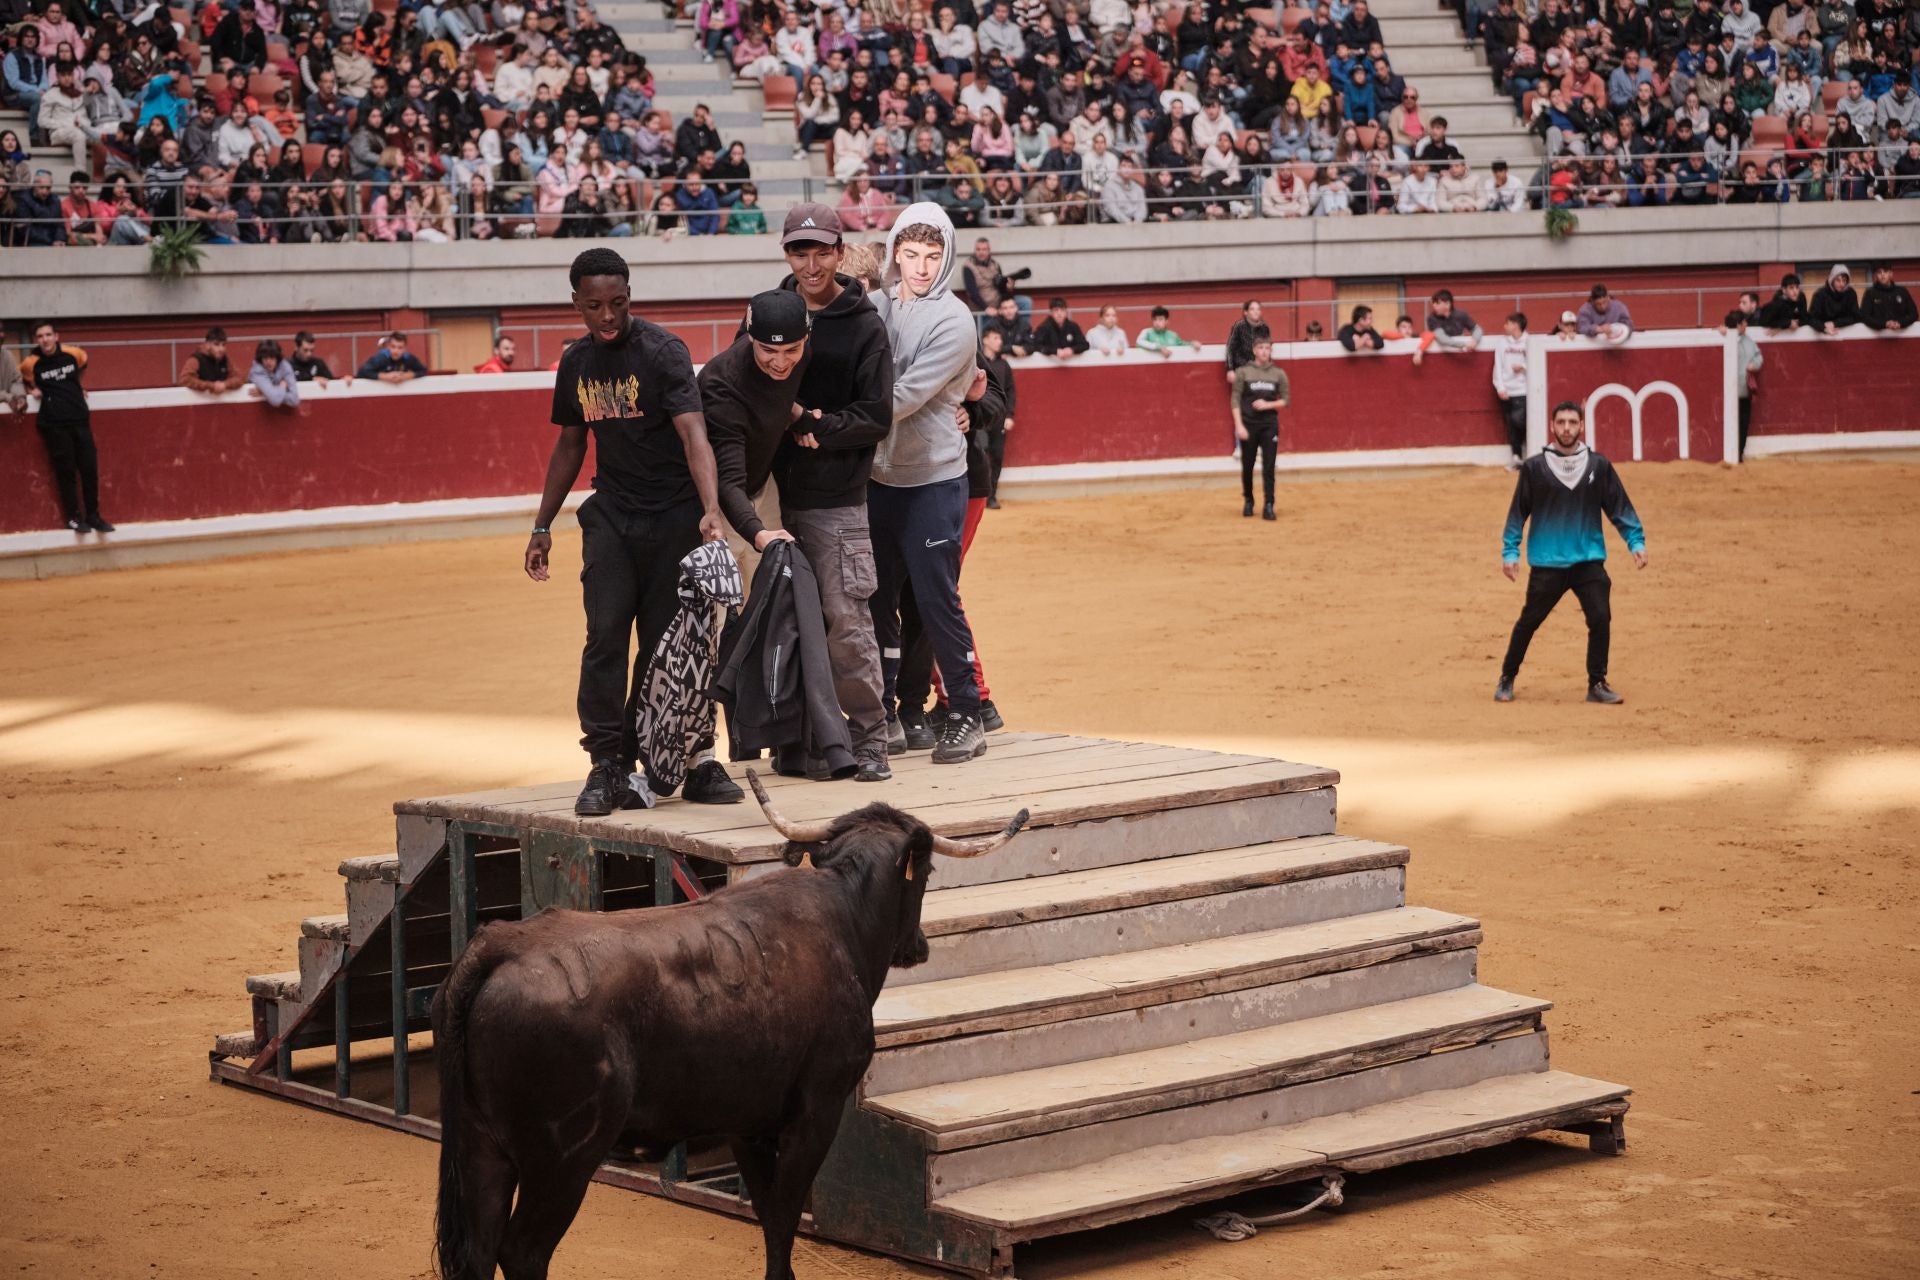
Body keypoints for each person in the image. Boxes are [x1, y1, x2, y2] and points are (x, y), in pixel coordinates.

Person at [525, 248, 736, 815]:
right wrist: (542, 524)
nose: (607, 316)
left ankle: (688, 755)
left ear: (628, 296)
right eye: (594, 306)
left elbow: (695, 435)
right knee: (606, 637)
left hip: (674, 517)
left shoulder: (663, 352)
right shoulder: (576, 364)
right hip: (614, 515)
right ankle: (606, 763)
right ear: (576, 303)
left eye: (617, 303)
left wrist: (710, 510)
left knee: (671, 647)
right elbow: (571, 444)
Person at [762, 203, 896, 775]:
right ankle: (802, 739)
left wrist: (816, 424)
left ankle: (870, 738)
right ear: (786, 254)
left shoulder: (865, 326)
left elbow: (876, 416)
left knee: (845, 622)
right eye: (800, 251)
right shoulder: (773, 310)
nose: (811, 263)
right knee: (782, 622)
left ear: (841, 253)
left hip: (836, 501)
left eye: (821, 251)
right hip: (771, 497)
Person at [867, 202, 993, 764]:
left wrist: (831, 423)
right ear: (895, 252)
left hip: (934, 480)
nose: (920, 266)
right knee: (872, 600)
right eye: (911, 254)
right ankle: (887, 714)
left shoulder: (955, 319)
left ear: (947, 258)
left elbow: (905, 396)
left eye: (933, 255)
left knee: (935, 599)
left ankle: (967, 710)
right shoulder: (874, 306)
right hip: (876, 479)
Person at [1497, 400, 1647, 705]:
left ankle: (1597, 683)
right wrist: (1510, 552)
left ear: (1581, 426)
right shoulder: (1535, 467)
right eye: (1561, 422)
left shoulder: (1598, 466)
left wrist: (1636, 542)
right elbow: (1518, 513)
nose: (1567, 428)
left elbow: (1619, 507)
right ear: (1552, 426)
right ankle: (1507, 677)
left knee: (1601, 618)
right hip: (1548, 562)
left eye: (1572, 422)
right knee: (1529, 622)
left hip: (1588, 560)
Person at [17, 321, 111, 533]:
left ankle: (94, 516)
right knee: (66, 472)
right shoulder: (31, 363)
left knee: (89, 470)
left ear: (56, 336)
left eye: (48, 335)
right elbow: (20, 377)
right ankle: (74, 518)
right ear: (36, 340)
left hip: (80, 419)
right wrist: (32, 389)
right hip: (55, 425)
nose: (45, 339)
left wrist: (78, 386)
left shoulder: (74, 354)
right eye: (40, 336)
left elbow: (83, 366)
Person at [1230, 337, 1289, 521]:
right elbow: (1235, 400)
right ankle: (1248, 499)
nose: (1264, 351)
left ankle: (1269, 504)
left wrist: (1268, 405)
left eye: (1267, 348)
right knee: (1248, 465)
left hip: (1269, 425)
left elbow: (1285, 400)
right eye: (1261, 348)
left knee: (1269, 466)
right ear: (1255, 351)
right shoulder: (1243, 372)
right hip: (1249, 424)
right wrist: (1239, 425)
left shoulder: (1278, 374)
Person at [978, 324, 1014, 507]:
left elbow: (1010, 391)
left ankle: (992, 496)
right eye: (995, 338)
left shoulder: (1004, 365)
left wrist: (1010, 415)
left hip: (999, 418)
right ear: (985, 340)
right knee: (981, 454)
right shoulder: (976, 362)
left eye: (1000, 338)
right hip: (979, 418)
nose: (999, 341)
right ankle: (981, 495)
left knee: (997, 456)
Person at [1492, 312, 1530, 469]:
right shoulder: (1502, 343)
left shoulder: (1529, 341)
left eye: (1507, 323)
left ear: (1516, 325)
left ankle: (1526, 454)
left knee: (1519, 421)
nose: (1505, 326)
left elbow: (1535, 361)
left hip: (1524, 389)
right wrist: (1500, 387)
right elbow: (1498, 366)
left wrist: (1523, 367)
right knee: (1512, 425)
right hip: (1507, 390)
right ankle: (1517, 456)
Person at [1727, 308, 1762, 462]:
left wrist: (1755, 364)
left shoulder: (1749, 341)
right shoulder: (1726, 338)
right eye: (1744, 322)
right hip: (1729, 393)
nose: (1747, 324)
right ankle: (1730, 453)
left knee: (1743, 423)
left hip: (1744, 391)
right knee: (1732, 424)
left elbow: (1758, 357)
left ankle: (1738, 454)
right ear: (1739, 325)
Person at [1411, 289, 1482, 365]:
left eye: (1437, 303)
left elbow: (1476, 329)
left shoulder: (1461, 315)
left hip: (1460, 358)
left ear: (1447, 304)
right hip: (1441, 358)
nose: (1434, 305)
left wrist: (1475, 340)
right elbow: (1442, 339)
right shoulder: (1432, 318)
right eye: (1434, 302)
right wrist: (1464, 344)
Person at [179, 327, 241, 394]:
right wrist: (211, 386)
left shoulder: (225, 359)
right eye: (216, 344)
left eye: (223, 345)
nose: (221, 349)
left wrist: (225, 384)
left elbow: (239, 378)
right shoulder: (196, 359)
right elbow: (185, 379)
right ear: (207, 345)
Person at [1807, 264, 1863, 334]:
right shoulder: (1820, 295)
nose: (1842, 284)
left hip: (1846, 334)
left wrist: (1835, 323)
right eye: (1838, 280)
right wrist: (1823, 328)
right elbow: (1812, 318)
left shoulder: (1850, 293)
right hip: (1823, 336)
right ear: (1832, 280)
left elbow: (1856, 316)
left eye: (1844, 280)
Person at [1860, 263, 1918, 331]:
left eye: (1885, 271)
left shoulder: (1902, 291)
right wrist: (1884, 324)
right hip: (1878, 338)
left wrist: (1900, 323)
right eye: (1879, 272)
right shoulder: (1870, 293)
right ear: (1876, 275)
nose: (1882, 275)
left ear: (1891, 274)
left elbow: (1914, 314)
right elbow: (1864, 316)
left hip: (1901, 336)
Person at [246, 339, 300, 409]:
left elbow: (294, 400)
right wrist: (282, 386)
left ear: (277, 358)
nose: (268, 362)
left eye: (271, 357)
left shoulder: (285, 366)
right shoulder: (257, 371)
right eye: (265, 358)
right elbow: (275, 400)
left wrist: (266, 393)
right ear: (260, 359)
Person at [357, 331, 428, 381]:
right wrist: (386, 377)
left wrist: (406, 376)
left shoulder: (408, 358)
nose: (396, 351)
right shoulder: (381, 358)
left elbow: (423, 370)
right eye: (393, 347)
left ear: (405, 349)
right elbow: (362, 372)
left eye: (400, 347)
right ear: (388, 347)